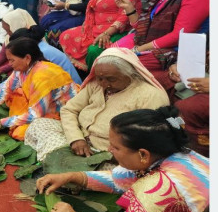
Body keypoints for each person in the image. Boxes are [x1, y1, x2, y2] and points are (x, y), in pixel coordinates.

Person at [36, 106, 209, 212]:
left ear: (143, 154)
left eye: (115, 147)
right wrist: (72, 176)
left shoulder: (155, 193)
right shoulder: (181, 154)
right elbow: (120, 178)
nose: (109, 150)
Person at [27, 48, 170, 161]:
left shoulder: (150, 95)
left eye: (111, 79)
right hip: (78, 138)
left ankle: (71, 168)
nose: (104, 84)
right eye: (100, 78)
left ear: (130, 74)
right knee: (39, 124)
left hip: (109, 153)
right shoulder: (96, 85)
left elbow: (147, 137)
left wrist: (113, 152)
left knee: (110, 170)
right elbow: (69, 110)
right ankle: (68, 165)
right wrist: (76, 139)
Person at [0, 37, 78, 140]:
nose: (10, 64)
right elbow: (5, 90)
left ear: (27, 58)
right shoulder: (22, 69)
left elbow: (35, 114)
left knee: (20, 132)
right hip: (43, 104)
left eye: (12, 60)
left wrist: (1, 123)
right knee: (13, 96)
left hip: (62, 111)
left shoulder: (42, 76)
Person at [0, 10, 82, 85]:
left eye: (9, 30)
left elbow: (22, 76)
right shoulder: (33, 45)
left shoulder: (41, 52)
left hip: (68, 90)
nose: (8, 34)